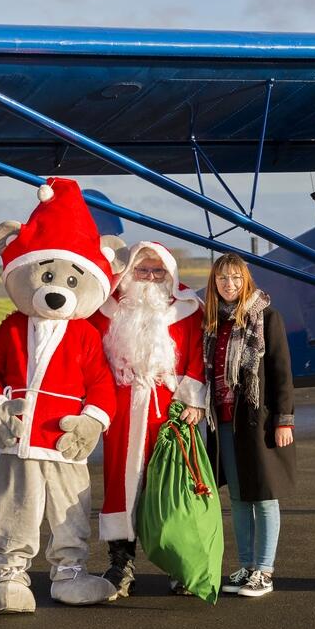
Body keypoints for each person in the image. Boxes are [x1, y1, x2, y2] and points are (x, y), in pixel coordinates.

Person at [89, 241, 207, 598]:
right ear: (129, 273)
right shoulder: (106, 310)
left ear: (169, 274)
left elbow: (198, 357)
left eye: (158, 271)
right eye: (143, 270)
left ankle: (178, 562)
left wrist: (194, 401)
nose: (150, 277)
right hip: (121, 409)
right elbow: (90, 357)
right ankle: (121, 563)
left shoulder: (187, 310)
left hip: (168, 410)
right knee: (121, 487)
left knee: (171, 489)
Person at [203, 252, 295, 598]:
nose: (230, 285)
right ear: (215, 283)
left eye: (236, 278)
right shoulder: (213, 324)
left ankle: (265, 570)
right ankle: (245, 567)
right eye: (223, 279)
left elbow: (281, 371)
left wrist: (284, 420)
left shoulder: (267, 317)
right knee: (240, 497)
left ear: (247, 281)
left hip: (259, 422)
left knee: (264, 496)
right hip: (225, 422)